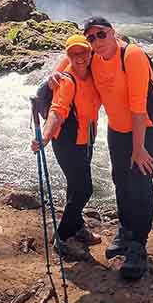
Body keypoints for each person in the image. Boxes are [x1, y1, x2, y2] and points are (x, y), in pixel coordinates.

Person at [50, 16, 153, 280]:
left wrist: (138, 148)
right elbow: (69, 62)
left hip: (145, 126)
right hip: (117, 128)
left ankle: (139, 245)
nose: (96, 41)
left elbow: (138, 106)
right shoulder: (92, 57)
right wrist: (51, 77)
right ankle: (125, 231)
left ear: (113, 33)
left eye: (101, 34)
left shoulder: (131, 55)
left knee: (140, 180)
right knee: (120, 180)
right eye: (90, 37)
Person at [32, 34, 103, 258]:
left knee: (75, 186)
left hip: (87, 137)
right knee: (85, 188)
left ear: (90, 53)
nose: (79, 58)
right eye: (74, 54)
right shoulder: (66, 80)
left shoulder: (95, 72)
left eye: (83, 52)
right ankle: (61, 236)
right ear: (69, 56)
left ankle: (78, 226)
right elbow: (57, 111)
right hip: (66, 141)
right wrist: (44, 137)